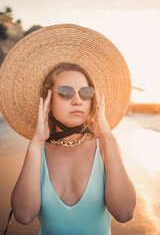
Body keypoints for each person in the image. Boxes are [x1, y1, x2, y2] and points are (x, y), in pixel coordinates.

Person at [1, 24, 136, 235]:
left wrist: (107, 137)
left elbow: (125, 213)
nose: (77, 100)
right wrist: (36, 143)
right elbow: (24, 215)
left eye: (86, 92)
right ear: (48, 100)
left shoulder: (105, 146)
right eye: (64, 92)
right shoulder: (40, 151)